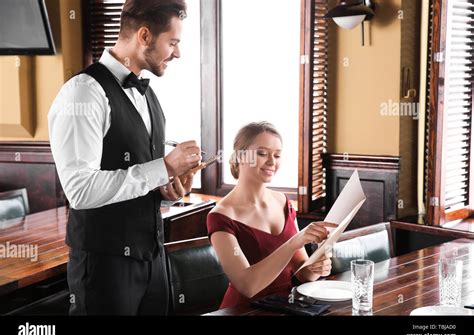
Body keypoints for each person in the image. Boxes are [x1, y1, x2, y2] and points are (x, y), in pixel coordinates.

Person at [48, 0, 200, 315]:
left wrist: (168, 191)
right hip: (105, 267)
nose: (178, 53)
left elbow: (142, 178)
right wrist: (165, 166)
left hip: (153, 260)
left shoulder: (150, 95)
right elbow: (80, 190)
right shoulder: (82, 93)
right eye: (172, 42)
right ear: (144, 36)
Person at [207, 122, 336, 309]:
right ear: (240, 156)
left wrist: (316, 267)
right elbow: (247, 285)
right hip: (244, 310)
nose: (272, 162)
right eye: (262, 153)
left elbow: (301, 273)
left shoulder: (284, 202)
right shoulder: (220, 216)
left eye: (277, 155)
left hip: (286, 306)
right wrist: (294, 242)